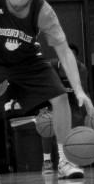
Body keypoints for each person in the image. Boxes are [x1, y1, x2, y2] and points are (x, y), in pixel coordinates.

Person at [0, 0, 94, 179]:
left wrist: (78, 90)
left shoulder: (42, 9)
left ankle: (65, 162)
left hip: (28, 60)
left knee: (59, 96)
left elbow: (65, 52)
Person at [37, 43, 88, 174]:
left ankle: (73, 160)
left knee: (77, 121)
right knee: (46, 122)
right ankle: (47, 161)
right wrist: (44, 109)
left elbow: (80, 94)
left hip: (72, 102)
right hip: (50, 100)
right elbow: (43, 90)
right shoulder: (50, 66)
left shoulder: (81, 69)